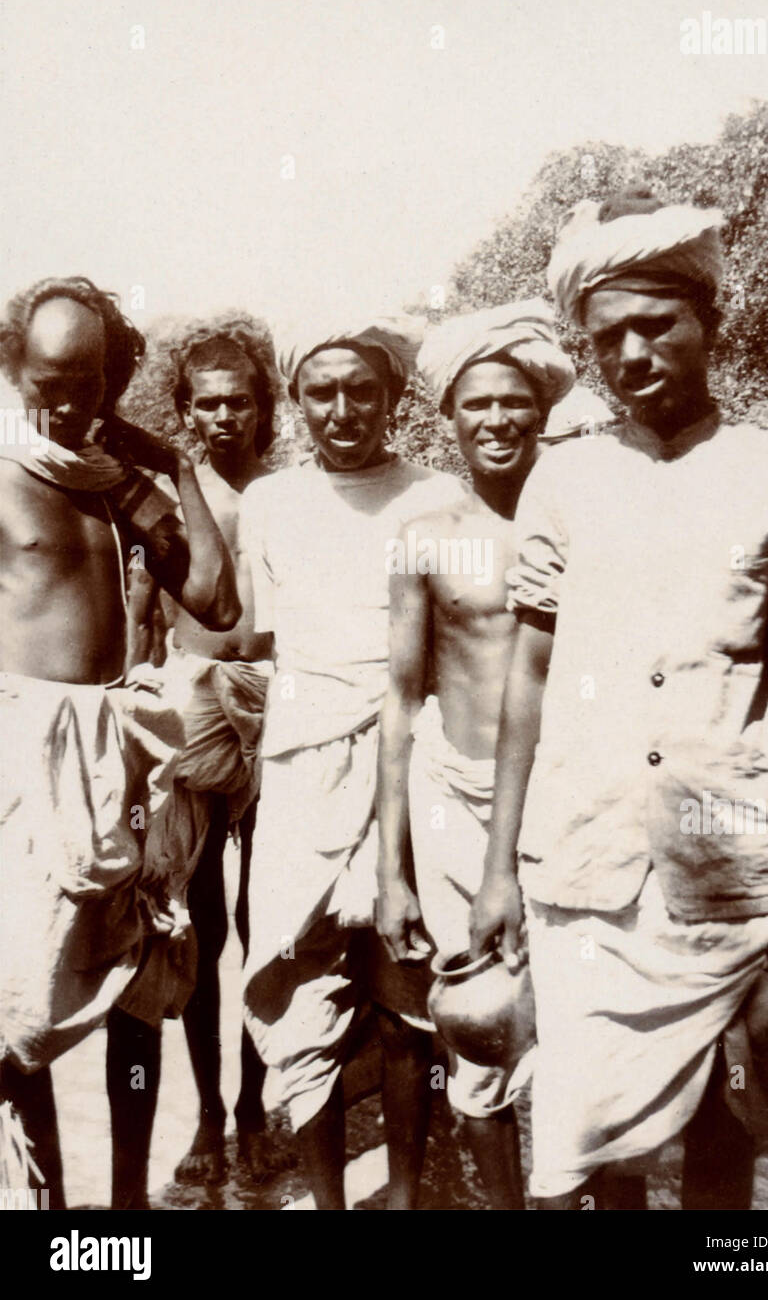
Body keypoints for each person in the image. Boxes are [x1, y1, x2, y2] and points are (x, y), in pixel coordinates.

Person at [471, 190, 768, 1210]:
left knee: (720, 1135)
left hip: (729, 859)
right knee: (601, 1143)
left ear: (709, 324)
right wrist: (497, 866)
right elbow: (527, 673)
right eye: (607, 338)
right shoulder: (563, 482)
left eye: (657, 325)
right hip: (583, 857)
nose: (633, 353)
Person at [0, 277, 240, 1209]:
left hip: (125, 754)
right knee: (23, 992)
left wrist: (174, 468)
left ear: (112, 382)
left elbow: (215, 603)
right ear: (14, 366)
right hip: (25, 756)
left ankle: (131, 1207)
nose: (66, 404)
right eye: (48, 381)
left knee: (140, 979)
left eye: (88, 385)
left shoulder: (118, 489)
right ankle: (53, 1205)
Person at [240, 317, 467, 1209]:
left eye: (361, 390)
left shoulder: (439, 496)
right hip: (301, 764)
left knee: (410, 983)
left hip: (415, 753)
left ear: (393, 397)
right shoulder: (270, 502)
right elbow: (263, 639)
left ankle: (406, 1199)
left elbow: (457, 640)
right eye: (321, 391)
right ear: (295, 402)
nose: (342, 409)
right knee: (303, 984)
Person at [378, 300, 575, 1209]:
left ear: (542, 407)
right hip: (456, 796)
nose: (496, 420)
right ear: (449, 417)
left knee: (582, 1021)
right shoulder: (425, 536)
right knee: (477, 1027)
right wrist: (393, 871)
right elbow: (400, 700)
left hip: (569, 794)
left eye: (513, 401)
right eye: (476, 405)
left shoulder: (581, 520)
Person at [127, 315, 284, 1183]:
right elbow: (146, 624)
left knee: (267, 923)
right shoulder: (170, 506)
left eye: (240, 402)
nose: (225, 418)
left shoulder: (290, 495)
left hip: (277, 704)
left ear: (263, 408)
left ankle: (259, 1109)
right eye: (208, 405)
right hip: (190, 707)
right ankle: (209, 1116)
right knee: (196, 925)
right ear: (185, 413)